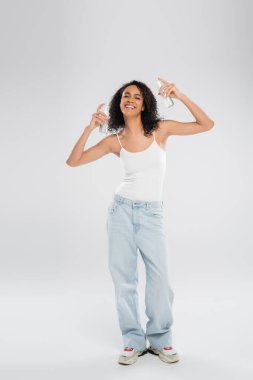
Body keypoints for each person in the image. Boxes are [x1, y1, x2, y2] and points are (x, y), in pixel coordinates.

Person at [66, 77, 214, 365]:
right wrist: (88, 129)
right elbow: (73, 161)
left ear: (145, 102)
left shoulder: (160, 130)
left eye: (135, 96)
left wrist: (180, 95)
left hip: (152, 214)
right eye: (124, 96)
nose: (129, 99)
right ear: (119, 104)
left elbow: (206, 124)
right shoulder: (114, 140)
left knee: (161, 281)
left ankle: (161, 339)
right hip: (120, 212)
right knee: (125, 281)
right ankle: (132, 341)